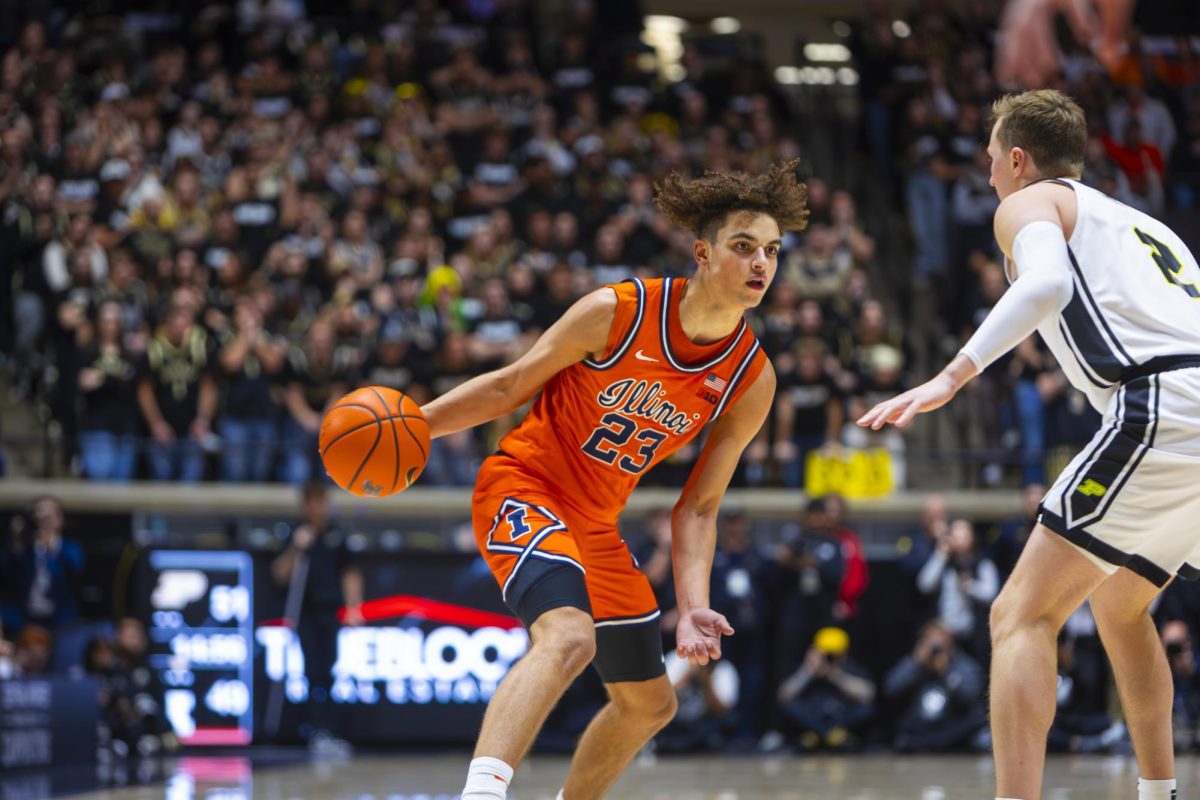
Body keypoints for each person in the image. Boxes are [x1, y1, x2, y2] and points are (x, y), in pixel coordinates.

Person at [420, 161, 808, 800]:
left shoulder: (751, 378)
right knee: (568, 636)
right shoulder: (616, 311)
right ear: (703, 254)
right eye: (744, 247)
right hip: (525, 484)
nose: (761, 263)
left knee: (650, 706)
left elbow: (700, 508)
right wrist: (417, 426)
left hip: (595, 524)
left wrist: (692, 606)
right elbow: (510, 384)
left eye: (771, 251)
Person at [860, 89, 1200, 800]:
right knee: (1121, 604)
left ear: (1018, 159)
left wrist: (952, 375)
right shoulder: (1147, 226)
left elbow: (1044, 282)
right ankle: (1159, 792)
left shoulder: (1027, 203)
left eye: (991, 161)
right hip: (1189, 403)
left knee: (1019, 614)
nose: (988, 178)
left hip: (1165, 407)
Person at [270, 482, 364, 748]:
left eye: (321, 501)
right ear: (305, 505)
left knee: (329, 669)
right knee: (312, 671)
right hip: (305, 612)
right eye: (312, 502)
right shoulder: (293, 533)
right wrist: (296, 548)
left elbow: (349, 572)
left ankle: (329, 730)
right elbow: (279, 573)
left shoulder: (337, 534)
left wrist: (354, 606)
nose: (317, 507)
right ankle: (315, 730)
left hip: (330, 611)